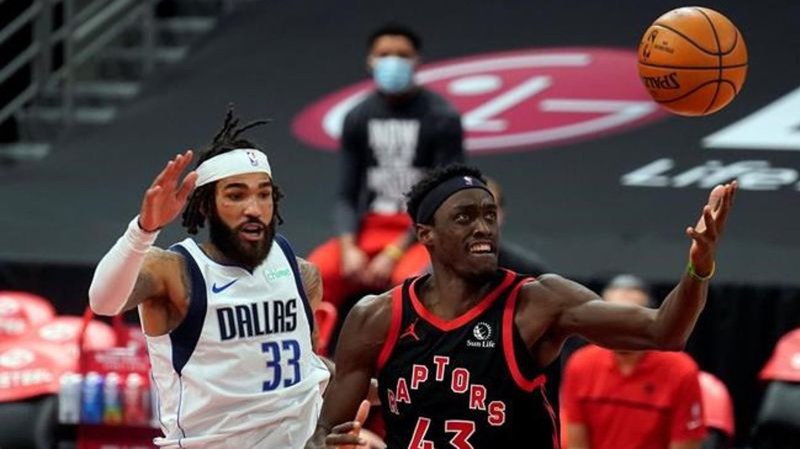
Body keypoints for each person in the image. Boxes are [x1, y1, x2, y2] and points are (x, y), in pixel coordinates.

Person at [305, 164, 737, 449]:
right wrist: (325, 442)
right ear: (426, 235)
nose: (483, 227)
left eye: (489, 215)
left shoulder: (538, 301)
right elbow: (324, 431)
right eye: (464, 217)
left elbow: (665, 331)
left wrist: (698, 267)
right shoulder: (378, 317)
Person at [88, 109, 331, 448]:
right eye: (236, 195)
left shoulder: (300, 274)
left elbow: (310, 370)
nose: (253, 208)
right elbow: (103, 302)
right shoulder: (175, 271)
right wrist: (143, 231)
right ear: (205, 205)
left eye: (263, 194)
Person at [308, 22, 465, 310]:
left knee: (413, 286)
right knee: (314, 276)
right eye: (384, 54)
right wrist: (348, 247)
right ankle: (321, 341)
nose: (393, 62)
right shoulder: (357, 117)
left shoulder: (442, 117)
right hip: (368, 230)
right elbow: (346, 194)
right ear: (370, 61)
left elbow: (444, 198)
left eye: (402, 55)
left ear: (417, 61)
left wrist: (394, 252)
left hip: (421, 233)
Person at [560, 274, 706, 449]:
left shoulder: (681, 370)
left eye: (629, 318)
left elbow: (685, 444)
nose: (620, 327)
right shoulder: (580, 364)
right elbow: (576, 444)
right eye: (611, 317)